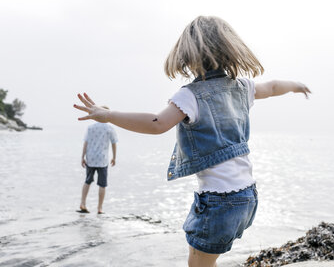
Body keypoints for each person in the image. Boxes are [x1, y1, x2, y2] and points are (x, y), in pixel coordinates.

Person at [73, 16, 311, 266]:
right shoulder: (242, 87)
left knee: (198, 264)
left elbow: (156, 123)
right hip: (248, 196)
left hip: (219, 200)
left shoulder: (190, 96)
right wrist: (295, 85)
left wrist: (109, 115)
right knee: (202, 262)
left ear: (187, 57)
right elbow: (272, 87)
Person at [78, 107, 118, 214]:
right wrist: (114, 157)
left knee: (87, 181)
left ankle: (83, 203)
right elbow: (114, 143)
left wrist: (82, 157)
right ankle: (99, 208)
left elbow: (85, 143)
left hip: (90, 158)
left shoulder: (90, 127)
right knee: (102, 184)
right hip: (103, 159)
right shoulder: (109, 128)